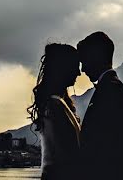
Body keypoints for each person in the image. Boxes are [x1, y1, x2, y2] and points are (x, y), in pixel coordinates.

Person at [77, 31, 123, 180]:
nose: (83, 70)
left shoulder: (110, 90)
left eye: (84, 61)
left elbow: (104, 147)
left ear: (96, 57)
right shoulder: (111, 88)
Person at [28, 43, 82, 180]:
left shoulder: (55, 103)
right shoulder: (55, 106)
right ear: (64, 68)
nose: (79, 73)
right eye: (76, 67)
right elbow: (68, 154)